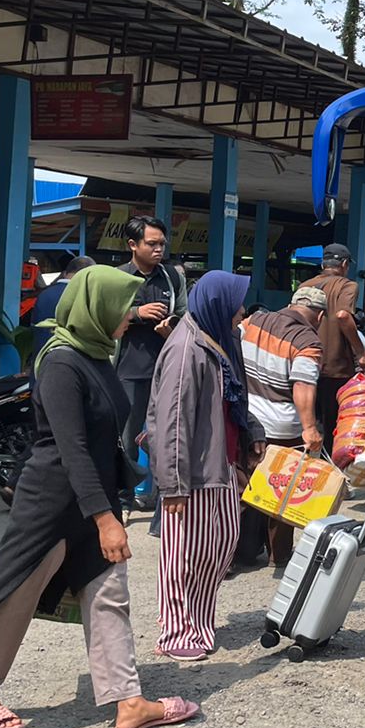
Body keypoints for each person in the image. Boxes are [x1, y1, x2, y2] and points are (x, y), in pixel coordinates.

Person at [0, 265, 199, 728]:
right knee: (16, 597)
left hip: (95, 497)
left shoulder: (96, 353)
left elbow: (105, 432)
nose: (130, 315)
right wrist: (106, 519)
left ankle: (129, 702)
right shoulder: (61, 362)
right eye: (122, 305)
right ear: (98, 305)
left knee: (109, 596)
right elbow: (72, 449)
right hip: (51, 502)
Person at [148, 269, 263, 661]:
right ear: (219, 305)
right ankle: (176, 629)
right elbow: (172, 422)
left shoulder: (221, 340)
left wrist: (254, 433)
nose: (242, 311)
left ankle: (199, 620)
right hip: (193, 468)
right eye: (237, 304)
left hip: (223, 462)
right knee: (185, 552)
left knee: (220, 543)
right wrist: (174, 484)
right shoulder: (186, 350)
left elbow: (237, 399)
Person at [235, 285, 327, 571]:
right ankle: (279, 555)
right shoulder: (307, 340)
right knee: (282, 490)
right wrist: (310, 427)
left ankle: (238, 550)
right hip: (282, 427)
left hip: (248, 420)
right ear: (320, 316)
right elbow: (302, 384)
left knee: (247, 486)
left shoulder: (252, 322)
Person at [117, 216, 187, 510]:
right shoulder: (118, 277)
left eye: (162, 243)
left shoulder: (172, 276)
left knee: (167, 433)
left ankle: (161, 496)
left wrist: (172, 324)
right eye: (152, 243)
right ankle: (122, 493)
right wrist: (136, 313)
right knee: (127, 435)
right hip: (129, 368)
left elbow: (185, 312)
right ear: (133, 245)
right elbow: (104, 316)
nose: (159, 249)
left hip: (167, 367)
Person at [300, 245, 365, 453]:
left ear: (323, 264)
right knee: (334, 428)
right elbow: (343, 315)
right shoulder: (347, 286)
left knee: (310, 425)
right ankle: (328, 474)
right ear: (344, 265)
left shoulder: (304, 286)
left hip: (305, 365)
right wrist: (361, 352)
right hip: (336, 368)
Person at [30, 256, 96, 367]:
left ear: (65, 273)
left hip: (40, 362)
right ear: (87, 275)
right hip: (69, 366)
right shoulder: (84, 296)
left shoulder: (43, 295)